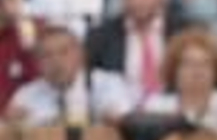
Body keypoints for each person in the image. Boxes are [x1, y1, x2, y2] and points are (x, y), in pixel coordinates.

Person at [4, 22, 132, 127]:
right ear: (37, 63)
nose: (56, 61)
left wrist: (116, 120)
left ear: (80, 54)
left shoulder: (108, 84)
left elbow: (124, 120)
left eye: (64, 52)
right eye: (46, 55)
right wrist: (10, 126)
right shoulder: (26, 96)